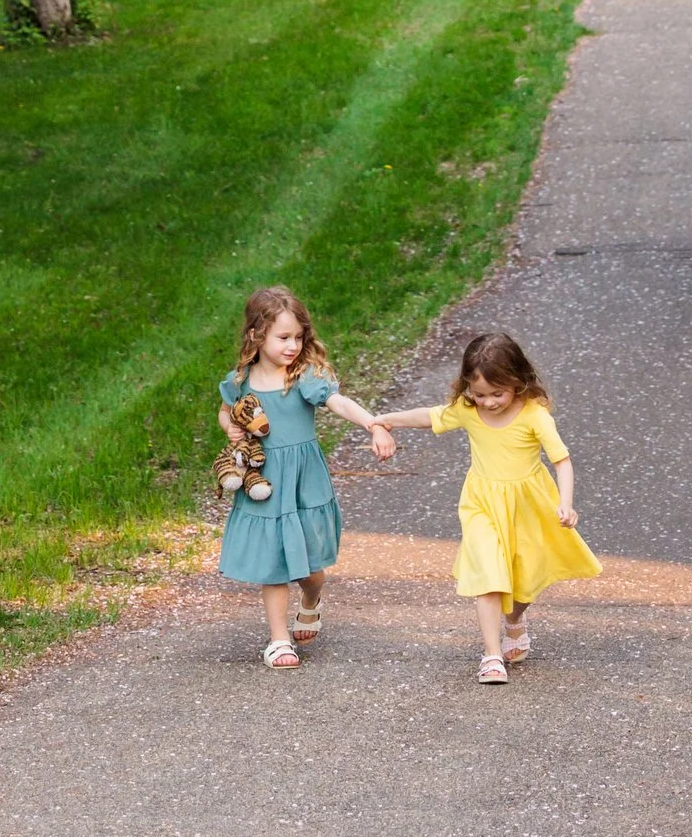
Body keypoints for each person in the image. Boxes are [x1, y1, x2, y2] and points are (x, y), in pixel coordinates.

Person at [375, 328, 599, 682]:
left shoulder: (534, 414)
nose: (490, 402)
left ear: (518, 382)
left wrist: (566, 504)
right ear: (467, 387)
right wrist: (386, 420)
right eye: (480, 394)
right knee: (489, 576)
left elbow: (562, 461)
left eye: (498, 393)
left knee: (523, 579)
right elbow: (431, 416)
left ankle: (515, 619)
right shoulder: (467, 410)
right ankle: (492, 655)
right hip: (481, 505)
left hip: (528, 506)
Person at [218, 285, 394, 668]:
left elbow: (338, 402)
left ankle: (312, 599)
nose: (293, 345)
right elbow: (227, 408)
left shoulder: (304, 377)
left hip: (302, 481)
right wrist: (230, 427)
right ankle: (279, 640)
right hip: (264, 480)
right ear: (256, 335)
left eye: (299, 337)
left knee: (311, 571)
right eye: (283, 337)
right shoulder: (241, 379)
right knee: (274, 562)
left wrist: (373, 425)